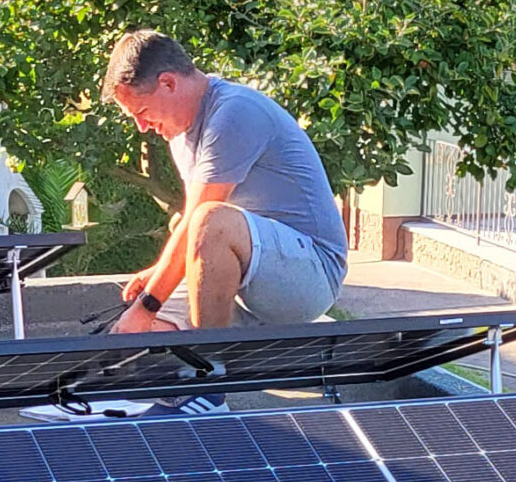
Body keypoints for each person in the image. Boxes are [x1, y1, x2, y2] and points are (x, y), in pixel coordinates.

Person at [104, 30, 348, 415]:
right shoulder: (180, 135)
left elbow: (207, 222)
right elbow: (192, 232)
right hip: (246, 273)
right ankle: (179, 399)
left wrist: (150, 303)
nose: (141, 127)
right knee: (139, 341)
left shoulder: (234, 112)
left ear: (168, 83)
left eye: (142, 113)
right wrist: (152, 283)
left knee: (206, 221)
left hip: (310, 275)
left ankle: (211, 384)